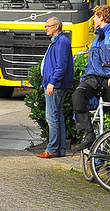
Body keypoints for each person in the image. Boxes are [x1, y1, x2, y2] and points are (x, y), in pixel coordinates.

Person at [73, 5, 110, 151]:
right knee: (78, 96)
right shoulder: (96, 39)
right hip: (93, 79)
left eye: (95, 16)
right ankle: (88, 134)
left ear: (102, 18)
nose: (93, 19)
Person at [36, 17, 74, 159]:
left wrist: (52, 82)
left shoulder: (61, 42)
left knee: (52, 117)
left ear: (57, 26)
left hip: (56, 85)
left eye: (48, 26)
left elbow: (61, 65)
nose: (45, 28)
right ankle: (59, 149)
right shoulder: (58, 41)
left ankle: (52, 148)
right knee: (57, 116)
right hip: (55, 84)